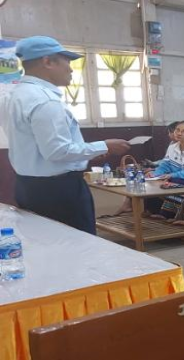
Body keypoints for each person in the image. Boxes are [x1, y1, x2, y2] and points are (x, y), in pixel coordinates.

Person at [3, 36, 130, 234]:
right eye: (67, 62)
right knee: (77, 243)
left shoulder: (14, 95)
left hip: (27, 186)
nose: (71, 69)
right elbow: (57, 151)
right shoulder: (44, 100)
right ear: (47, 61)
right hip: (58, 192)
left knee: (44, 241)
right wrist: (105, 145)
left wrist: (88, 154)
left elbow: (36, 146)